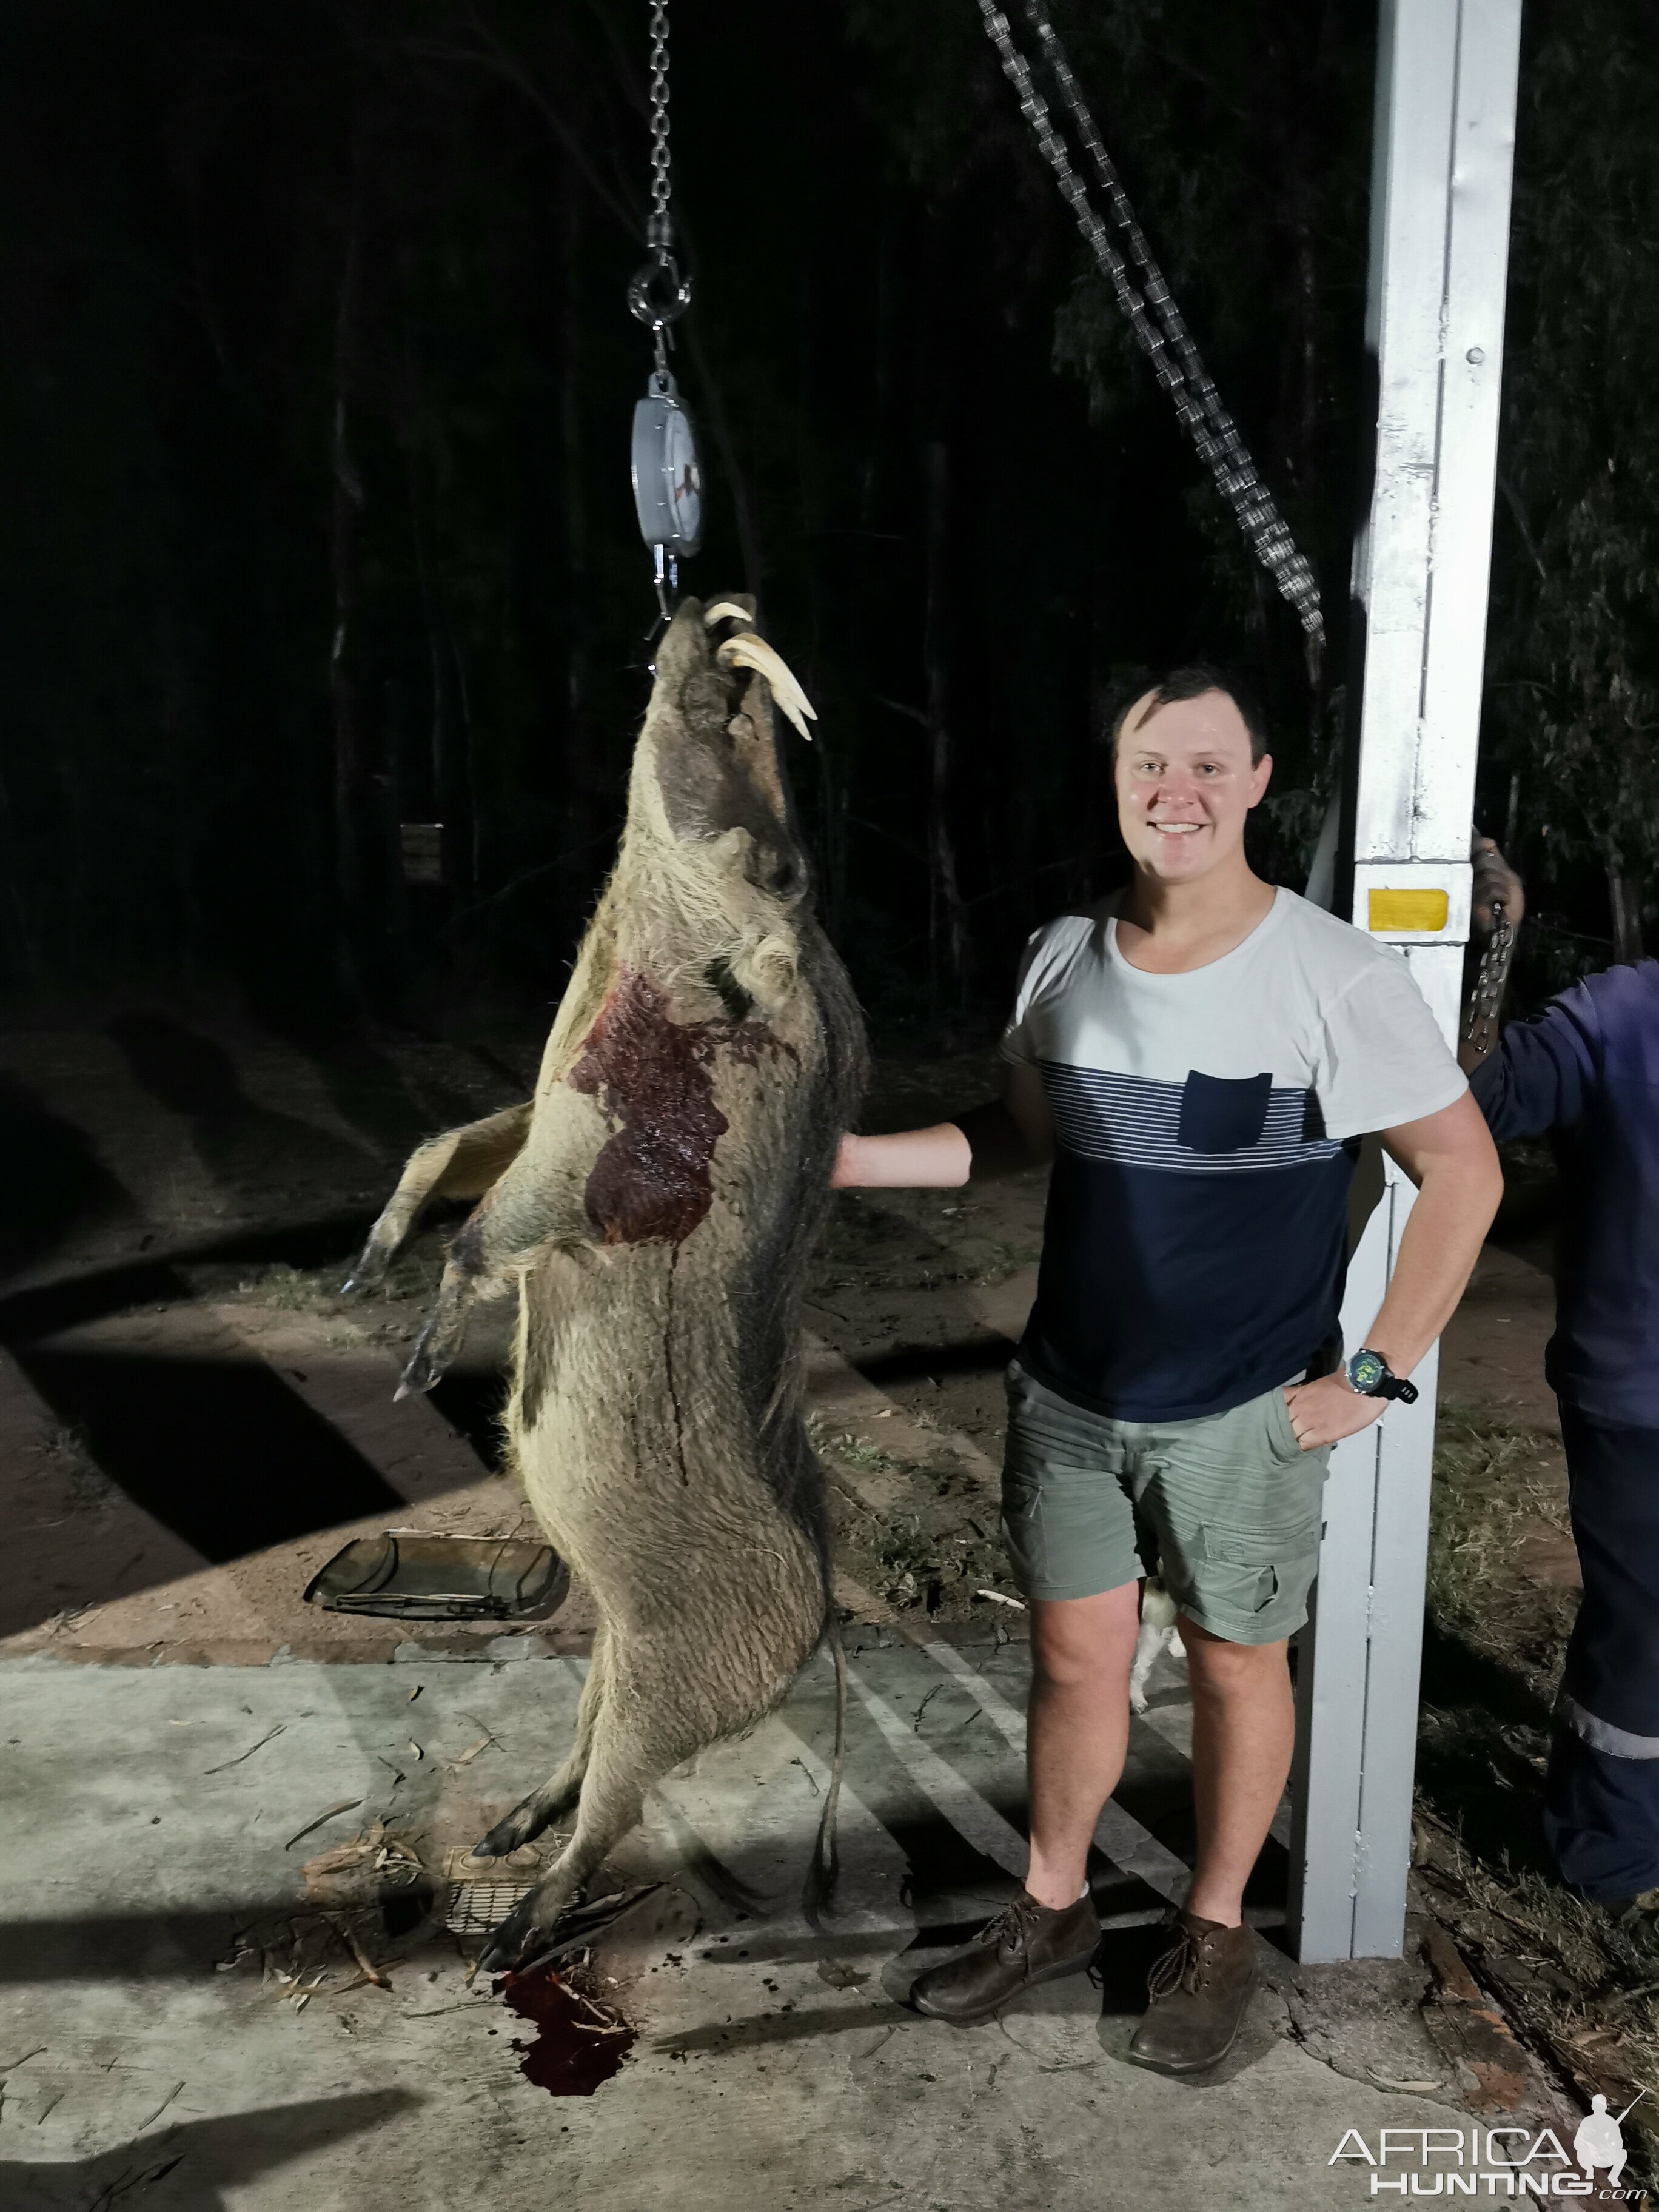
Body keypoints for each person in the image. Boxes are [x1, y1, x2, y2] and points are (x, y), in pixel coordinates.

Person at [833, 668, 1503, 2073]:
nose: (1175, 795)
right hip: (1070, 1396)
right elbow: (1020, 1138)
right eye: (1150, 767)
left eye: (1207, 767)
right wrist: (843, 1160)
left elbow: (1461, 1172)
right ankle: (1053, 1907)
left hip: (1239, 1411)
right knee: (1074, 1659)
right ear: (1118, 780)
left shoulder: (1335, 976)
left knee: (1232, 1662)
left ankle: (1213, 1931)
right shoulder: (1063, 957)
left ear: (1260, 781)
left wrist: (1376, 1375)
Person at [1460, 839, 1659, 1902]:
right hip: (1641, 1400)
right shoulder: (1622, 1015)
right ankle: (1609, 1855)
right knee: (1645, 1634)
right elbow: (1466, 1098)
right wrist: (1488, 951)